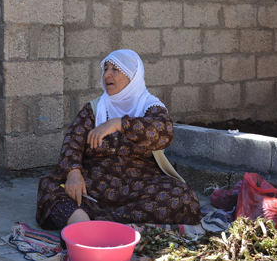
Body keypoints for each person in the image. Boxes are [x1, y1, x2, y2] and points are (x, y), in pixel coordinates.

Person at [36, 49, 201, 230]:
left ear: (132, 76)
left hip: (139, 184)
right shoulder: (94, 108)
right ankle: (81, 224)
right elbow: (72, 143)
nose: (107, 74)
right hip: (95, 185)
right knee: (49, 185)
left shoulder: (149, 106)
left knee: (183, 197)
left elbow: (164, 133)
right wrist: (74, 174)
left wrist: (120, 123)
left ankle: (95, 223)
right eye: (106, 68)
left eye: (115, 69)